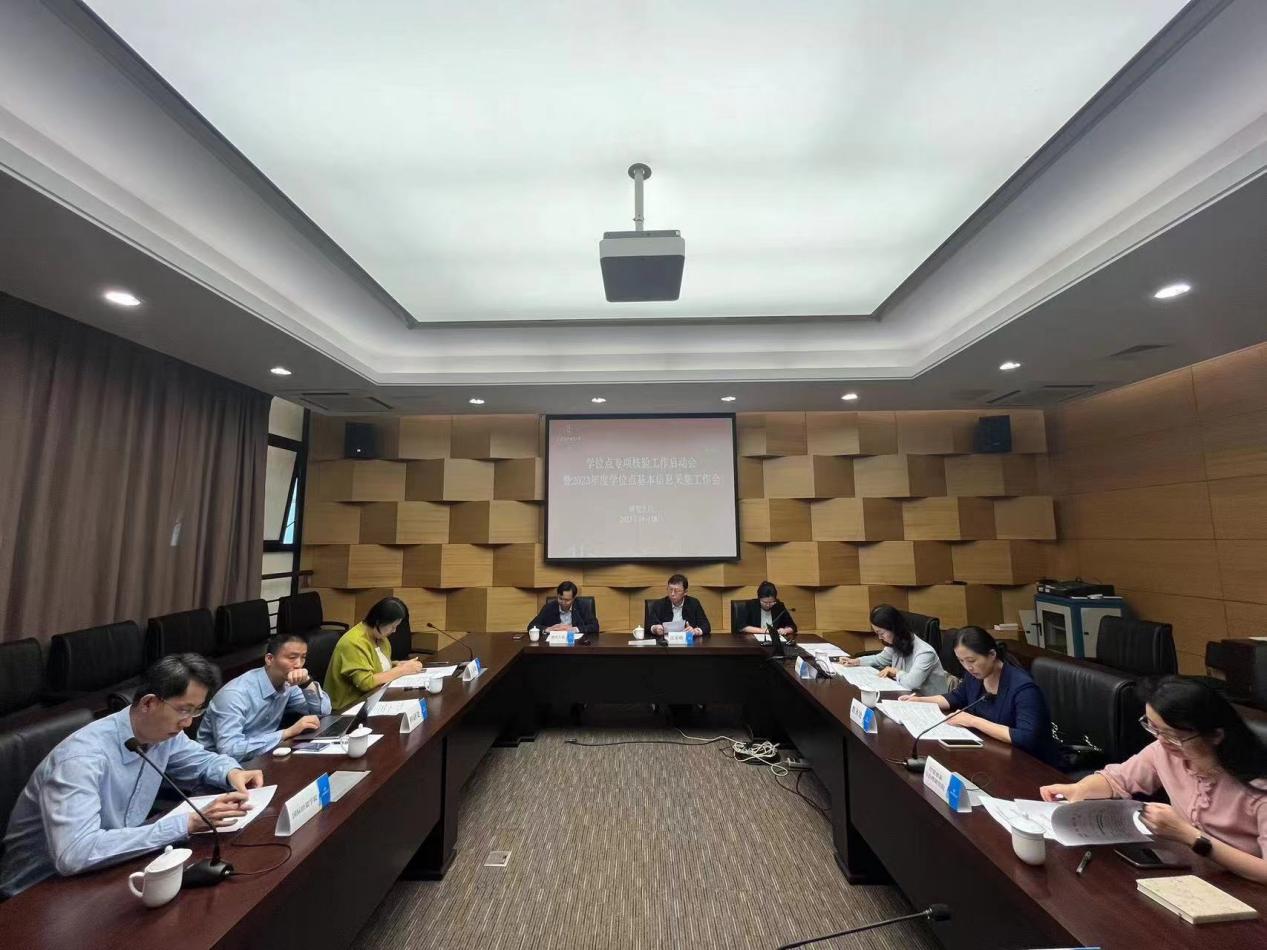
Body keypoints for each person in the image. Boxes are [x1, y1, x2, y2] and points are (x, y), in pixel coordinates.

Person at [0, 654, 264, 899]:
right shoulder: (81, 759)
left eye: (196, 711)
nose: (188, 723)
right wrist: (186, 824)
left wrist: (232, 772)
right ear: (149, 703)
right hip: (38, 891)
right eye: (184, 710)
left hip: (115, 862)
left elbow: (203, 760)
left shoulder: (163, 734)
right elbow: (75, 853)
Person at [1040, 676, 1267, 884]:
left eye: (1173, 736)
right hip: (1194, 873)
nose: (1161, 741)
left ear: (1216, 735)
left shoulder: (1258, 788)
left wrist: (1190, 836)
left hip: (1246, 888)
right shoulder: (1165, 752)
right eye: (1153, 728)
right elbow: (1118, 778)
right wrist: (1081, 788)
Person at [900, 626, 1060, 766]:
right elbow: (955, 697)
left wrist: (973, 721)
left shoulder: (1024, 688)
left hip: (1030, 764)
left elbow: (1025, 737)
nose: (967, 667)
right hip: (991, 753)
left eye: (971, 660)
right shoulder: (975, 676)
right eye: (961, 661)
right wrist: (920, 701)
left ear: (992, 654)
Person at [197, 632, 332, 760]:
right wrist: (287, 733)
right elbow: (230, 750)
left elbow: (324, 711)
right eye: (292, 658)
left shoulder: (288, 683)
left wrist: (306, 683)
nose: (299, 665)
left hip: (263, 755)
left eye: (303, 657)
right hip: (219, 768)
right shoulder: (234, 695)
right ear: (269, 659)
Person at [324, 597, 426, 712]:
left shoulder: (380, 638)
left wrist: (396, 665)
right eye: (393, 626)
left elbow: (375, 666)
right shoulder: (353, 642)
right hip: (348, 708)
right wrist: (402, 670)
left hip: (373, 699)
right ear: (379, 622)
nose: (394, 631)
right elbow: (365, 682)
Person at [842, 604, 949, 696]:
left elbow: (912, 683)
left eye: (881, 633)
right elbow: (879, 660)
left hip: (930, 702)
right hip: (906, 695)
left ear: (894, 628)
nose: (880, 637)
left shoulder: (925, 652)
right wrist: (856, 661)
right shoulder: (898, 642)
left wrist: (896, 672)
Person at [526, 580, 599, 635]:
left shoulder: (582, 606)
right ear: (557, 595)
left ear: (573, 598)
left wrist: (574, 629)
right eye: (560, 599)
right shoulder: (549, 607)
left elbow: (595, 627)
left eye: (567, 600)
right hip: (555, 644)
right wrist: (547, 629)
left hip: (577, 644)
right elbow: (531, 626)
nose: (563, 602)